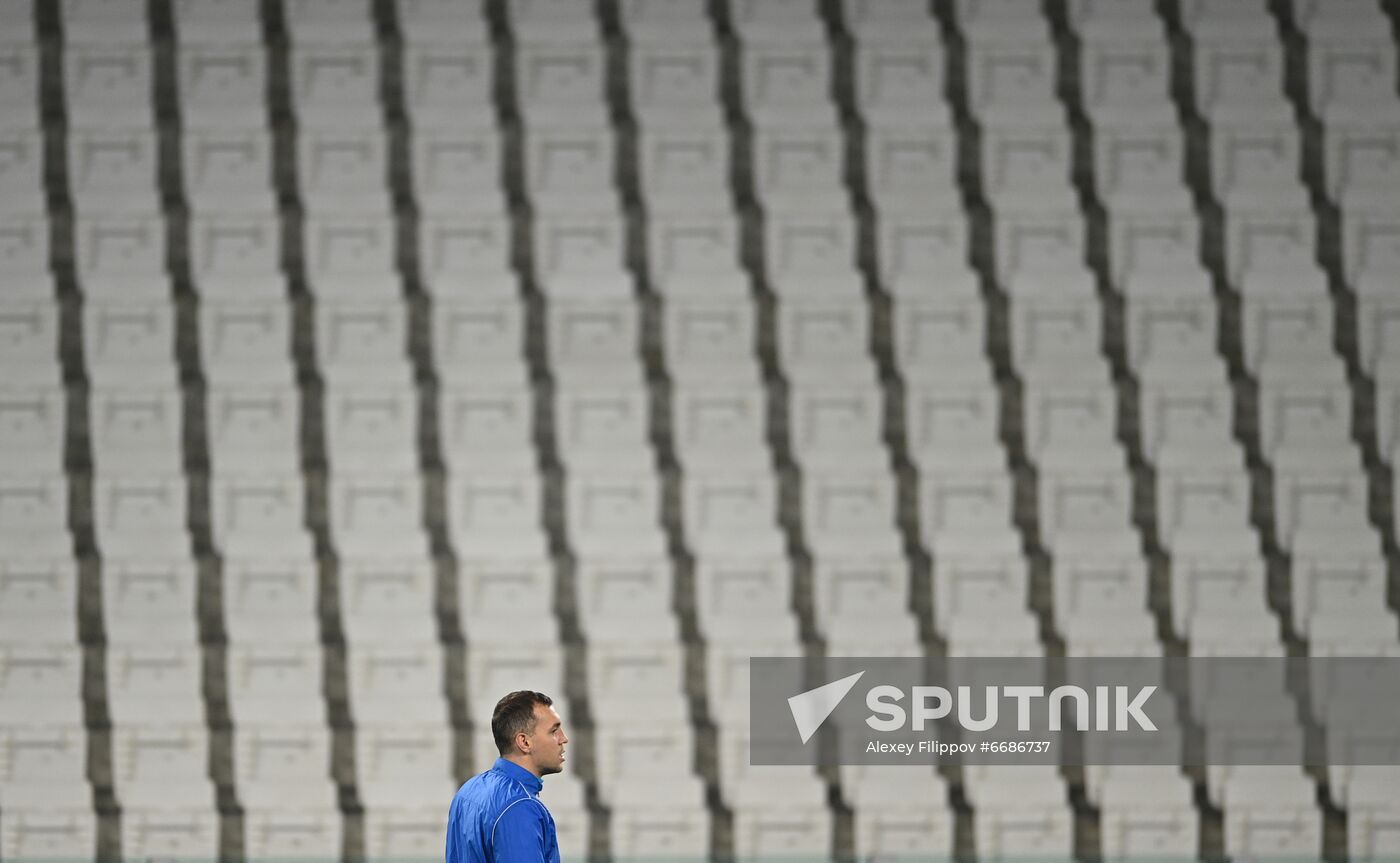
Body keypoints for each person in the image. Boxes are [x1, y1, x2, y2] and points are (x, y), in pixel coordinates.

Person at [446, 691, 569, 863]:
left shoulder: (467, 791)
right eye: (554, 731)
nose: (564, 739)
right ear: (524, 742)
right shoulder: (520, 806)